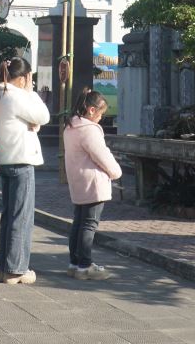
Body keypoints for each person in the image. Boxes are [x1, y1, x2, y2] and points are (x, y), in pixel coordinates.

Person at [0, 57, 50, 285]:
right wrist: (31, 92)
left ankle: (5, 266)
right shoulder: (17, 95)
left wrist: (31, 123)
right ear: (24, 77)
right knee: (22, 217)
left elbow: (35, 120)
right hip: (21, 160)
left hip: (5, 159)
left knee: (9, 215)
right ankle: (16, 269)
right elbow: (43, 116)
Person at [63, 89, 121, 281]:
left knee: (78, 223)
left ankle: (74, 263)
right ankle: (85, 265)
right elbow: (102, 156)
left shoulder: (70, 127)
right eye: (100, 113)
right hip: (93, 183)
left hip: (78, 181)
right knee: (89, 224)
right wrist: (116, 172)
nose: (101, 118)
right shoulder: (89, 130)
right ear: (91, 110)